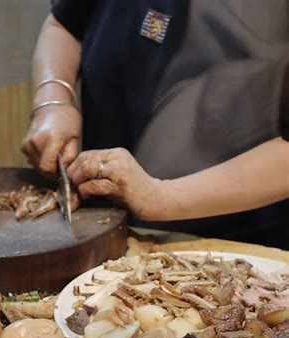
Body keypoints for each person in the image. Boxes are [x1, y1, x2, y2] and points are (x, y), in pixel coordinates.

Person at [22, 0, 289, 248]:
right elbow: (64, 24)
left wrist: (160, 196)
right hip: (103, 222)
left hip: (236, 245)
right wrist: (52, 99)